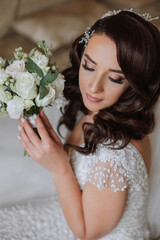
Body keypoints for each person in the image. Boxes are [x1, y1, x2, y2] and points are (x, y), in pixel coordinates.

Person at [1, 9, 160, 240]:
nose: (93, 87)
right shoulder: (98, 110)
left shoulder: (115, 157)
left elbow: (87, 233)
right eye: (89, 65)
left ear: (135, 84)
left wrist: (59, 167)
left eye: (115, 78)